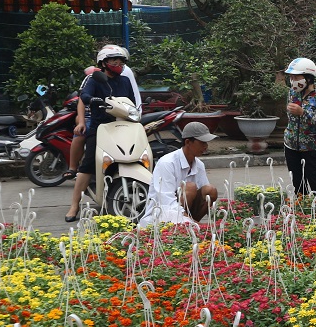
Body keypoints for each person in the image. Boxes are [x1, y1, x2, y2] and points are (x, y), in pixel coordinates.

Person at [64, 47, 140, 222]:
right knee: (88, 165)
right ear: (104, 63)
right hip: (101, 127)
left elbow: (132, 102)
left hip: (124, 125)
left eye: (121, 62)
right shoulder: (95, 79)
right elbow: (85, 95)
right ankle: (74, 205)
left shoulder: (125, 81)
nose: (119, 64)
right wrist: (91, 99)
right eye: (114, 61)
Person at [137, 122, 219, 227]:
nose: (206, 146)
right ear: (188, 142)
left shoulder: (199, 165)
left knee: (210, 191)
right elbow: (167, 202)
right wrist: (196, 224)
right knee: (189, 187)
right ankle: (188, 225)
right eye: (202, 143)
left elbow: (205, 197)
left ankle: (189, 225)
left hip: (185, 214)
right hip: (161, 215)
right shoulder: (167, 163)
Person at [283, 57, 316, 202]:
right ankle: (302, 217)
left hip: (313, 148)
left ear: (308, 78)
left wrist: (303, 113)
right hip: (291, 146)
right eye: (291, 77)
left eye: (296, 77)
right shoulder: (293, 92)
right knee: (298, 185)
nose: (293, 81)